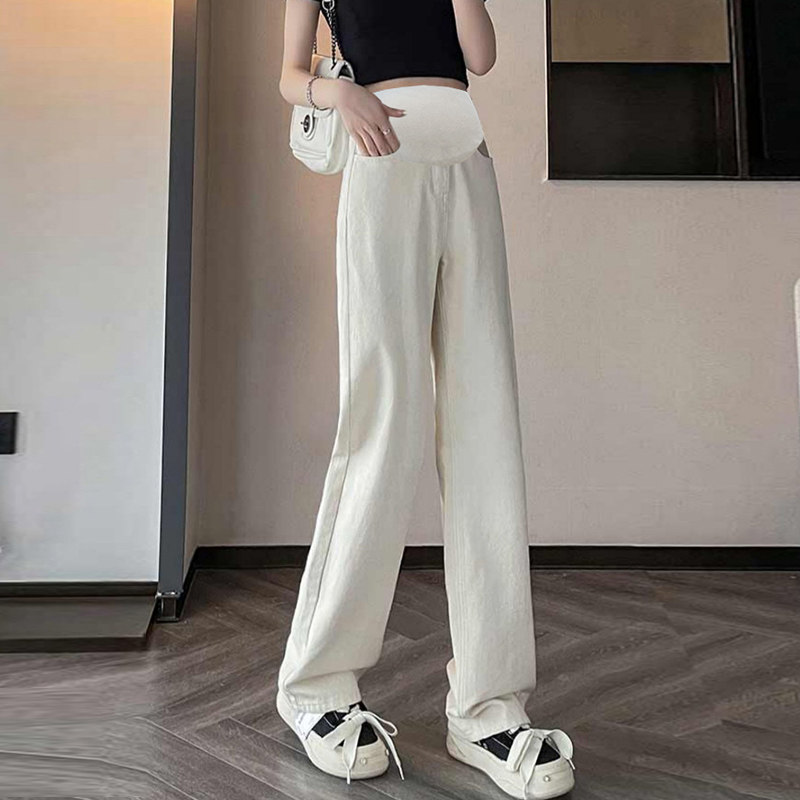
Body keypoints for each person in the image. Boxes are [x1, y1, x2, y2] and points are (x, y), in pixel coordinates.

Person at [275, 1, 575, 798]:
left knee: (486, 422)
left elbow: (481, 56)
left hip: (465, 163)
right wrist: (339, 94)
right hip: (382, 166)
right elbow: (290, 75)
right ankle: (317, 687)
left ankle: (488, 706)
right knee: (384, 417)